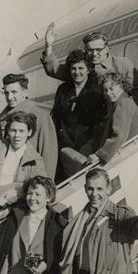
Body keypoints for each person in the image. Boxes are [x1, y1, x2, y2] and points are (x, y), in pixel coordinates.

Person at [42, 27, 138, 106]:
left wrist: (124, 110)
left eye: (98, 49)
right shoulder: (82, 69)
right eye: (90, 50)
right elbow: (55, 70)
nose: (94, 54)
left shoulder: (123, 64)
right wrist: (48, 46)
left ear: (107, 49)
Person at [0, 111, 47, 212]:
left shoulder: (36, 161)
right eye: (13, 130)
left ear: (29, 132)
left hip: (18, 212)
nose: (16, 135)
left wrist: (20, 192)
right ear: (8, 130)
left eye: (21, 131)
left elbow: (41, 189)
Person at [50, 50, 106, 180]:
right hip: (65, 145)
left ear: (89, 69)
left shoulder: (97, 90)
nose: (77, 72)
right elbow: (56, 117)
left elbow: (101, 122)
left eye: (81, 68)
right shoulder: (63, 89)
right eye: (73, 68)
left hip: (87, 146)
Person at [0, 73, 58, 177]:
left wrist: (45, 185)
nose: (9, 97)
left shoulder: (41, 117)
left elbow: (49, 157)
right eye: (6, 93)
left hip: (29, 179)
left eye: (14, 92)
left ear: (24, 93)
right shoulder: (3, 117)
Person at [87, 72, 138, 165]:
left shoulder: (123, 103)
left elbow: (120, 135)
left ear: (122, 86)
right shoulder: (126, 99)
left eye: (111, 89)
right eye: (105, 90)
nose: (108, 93)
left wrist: (100, 155)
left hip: (131, 153)